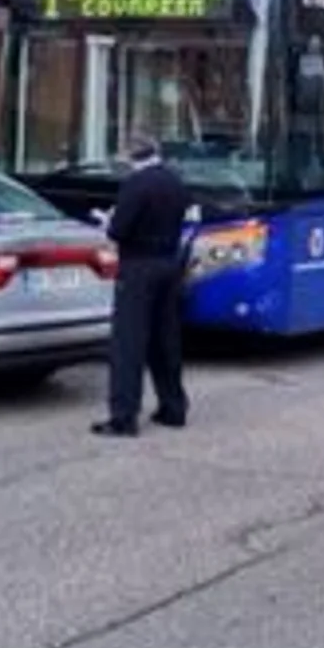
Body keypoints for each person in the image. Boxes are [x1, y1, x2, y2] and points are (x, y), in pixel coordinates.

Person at [89, 133, 192, 438]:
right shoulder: (175, 181)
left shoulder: (135, 185)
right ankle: (173, 407)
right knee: (165, 340)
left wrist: (107, 221)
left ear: (131, 157)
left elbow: (119, 231)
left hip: (138, 267)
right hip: (169, 264)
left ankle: (123, 416)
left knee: (128, 343)